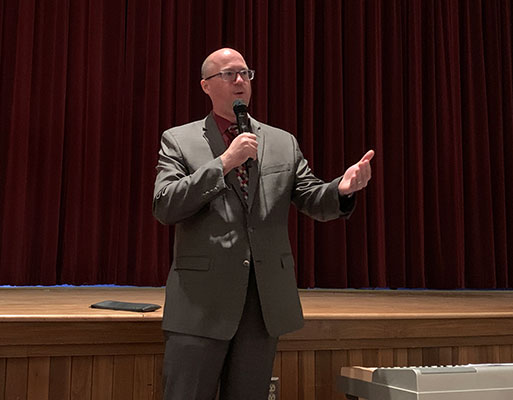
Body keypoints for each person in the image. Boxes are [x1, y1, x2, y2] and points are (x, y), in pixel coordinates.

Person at [153, 48, 374, 400]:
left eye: (245, 73)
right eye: (228, 74)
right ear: (206, 86)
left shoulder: (282, 142)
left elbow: (312, 199)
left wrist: (342, 189)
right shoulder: (179, 140)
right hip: (200, 303)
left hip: (261, 304)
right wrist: (224, 163)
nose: (239, 80)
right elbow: (165, 205)